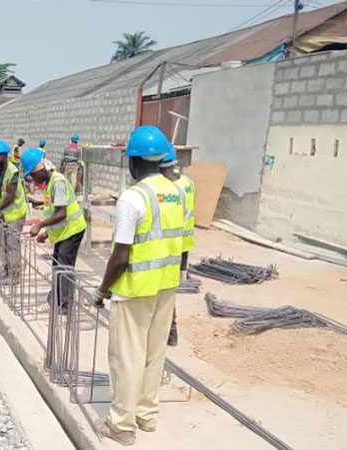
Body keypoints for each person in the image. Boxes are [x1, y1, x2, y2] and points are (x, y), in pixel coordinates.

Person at [92, 125, 186, 446]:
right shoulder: (178, 192)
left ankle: (122, 424)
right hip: (166, 286)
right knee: (153, 353)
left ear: (133, 163)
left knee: (127, 357)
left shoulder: (133, 198)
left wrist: (102, 291)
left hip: (135, 289)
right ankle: (147, 415)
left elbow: (120, 255)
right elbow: (182, 244)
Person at [22, 148, 87, 313]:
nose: (34, 181)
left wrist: (40, 225)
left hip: (72, 231)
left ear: (41, 169)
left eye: (34, 176)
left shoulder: (57, 182)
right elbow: (54, 213)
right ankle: (57, 301)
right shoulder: (51, 183)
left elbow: (61, 213)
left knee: (63, 268)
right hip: (65, 231)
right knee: (58, 266)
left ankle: (63, 305)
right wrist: (48, 233)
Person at [159, 146, 196, 347]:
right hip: (184, 243)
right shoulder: (188, 183)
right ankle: (172, 332)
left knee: (163, 287)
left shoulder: (168, 189)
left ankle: (168, 329)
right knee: (171, 286)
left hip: (169, 243)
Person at [0, 140, 28, 284]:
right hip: (4, 213)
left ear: (5, 156)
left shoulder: (12, 171)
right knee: (4, 243)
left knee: (12, 244)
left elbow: (10, 196)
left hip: (15, 213)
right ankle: (7, 270)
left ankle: (14, 275)